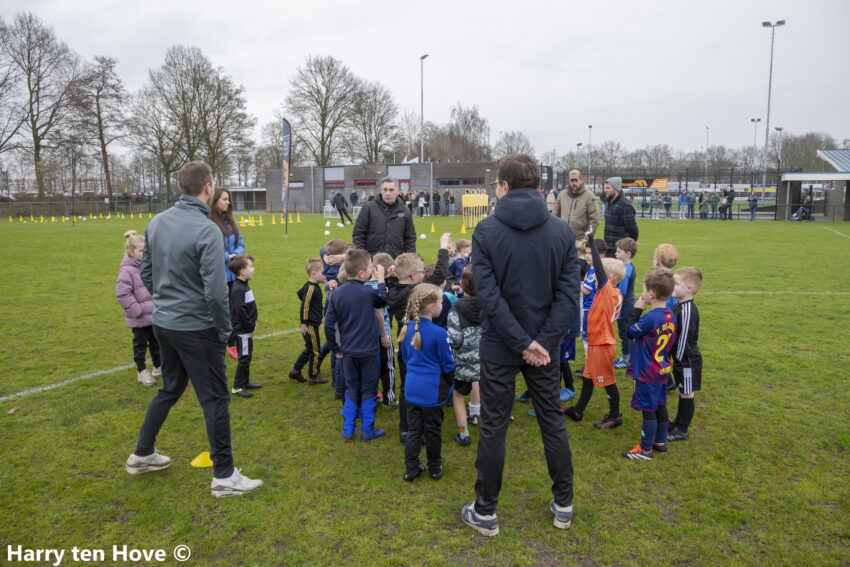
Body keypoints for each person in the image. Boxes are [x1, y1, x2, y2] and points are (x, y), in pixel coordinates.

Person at [126, 161, 262, 497]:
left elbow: (147, 273)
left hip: (165, 323)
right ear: (208, 187)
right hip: (196, 327)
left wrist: (167, 299)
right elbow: (216, 292)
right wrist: (223, 330)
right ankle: (224, 476)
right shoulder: (207, 230)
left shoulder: (157, 223)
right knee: (215, 398)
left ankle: (142, 454)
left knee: (170, 388)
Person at [460, 154, 579, 537]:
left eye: (496, 182)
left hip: (522, 344)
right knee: (549, 422)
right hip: (522, 344)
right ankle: (556, 504)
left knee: (497, 425)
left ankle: (490, 510)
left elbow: (566, 294)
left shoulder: (554, 231)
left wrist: (536, 342)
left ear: (505, 185)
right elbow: (490, 297)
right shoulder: (495, 230)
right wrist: (533, 342)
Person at [386, 235, 451, 444]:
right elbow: (440, 274)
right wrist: (443, 249)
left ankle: (406, 429)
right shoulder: (417, 292)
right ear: (414, 276)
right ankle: (425, 423)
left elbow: (393, 286)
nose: (425, 275)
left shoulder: (394, 291)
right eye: (423, 272)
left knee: (407, 387)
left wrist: (390, 279)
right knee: (428, 382)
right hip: (424, 345)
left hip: (405, 344)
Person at [324, 249, 389, 441]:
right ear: (362, 273)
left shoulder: (336, 295)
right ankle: (367, 429)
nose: (372, 271)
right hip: (368, 350)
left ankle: (348, 429)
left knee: (351, 387)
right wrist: (381, 280)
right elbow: (383, 300)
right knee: (369, 388)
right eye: (370, 268)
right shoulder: (369, 291)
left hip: (348, 351)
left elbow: (328, 325)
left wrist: (336, 349)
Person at [564, 234, 625, 428]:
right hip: (595, 341)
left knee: (607, 381)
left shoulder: (609, 292)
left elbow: (598, 268)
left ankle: (615, 415)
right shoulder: (605, 291)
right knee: (589, 378)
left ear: (611, 279)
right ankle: (578, 410)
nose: (595, 277)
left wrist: (591, 241)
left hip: (602, 344)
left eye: (600, 275)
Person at [399, 284, 455, 481]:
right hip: (432, 391)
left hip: (412, 389)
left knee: (414, 430)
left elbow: (406, 358)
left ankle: (411, 468)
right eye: (441, 302)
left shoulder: (405, 329)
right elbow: (448, 364)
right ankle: (434, 467)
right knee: (432, 430)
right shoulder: (439, 333)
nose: (442, 305)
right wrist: (450, 385)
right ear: (432, 307)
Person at [622, 269, 677, 460]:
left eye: (644, 290)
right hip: (662, 369)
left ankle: (645, 449)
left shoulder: (650, 317)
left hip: (647, 371)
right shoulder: (670, 314)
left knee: (648, 410)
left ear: (651, 294)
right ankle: (660, 442)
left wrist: (637, 310)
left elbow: (629, 332)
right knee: (660, 405)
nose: (643, 293)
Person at [116, 230, 161, 387]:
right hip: (139, 317)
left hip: (153, 314)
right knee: (140, 345)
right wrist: (138, 311)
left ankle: (158, 366)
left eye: (145, 250)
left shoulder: (148, 266)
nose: (145, 253)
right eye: (141, 251)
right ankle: (141, 371)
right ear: (131, 252)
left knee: (156, 342)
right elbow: (122, 295)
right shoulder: (126, 271)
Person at [447, 265, 482, 446]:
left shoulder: (456, 309)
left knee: (458, 396)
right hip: (488, 363)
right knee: (491, 393)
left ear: (461, 283)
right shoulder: (492, 307)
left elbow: (455, 339)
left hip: (464, 365)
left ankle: (464, 434)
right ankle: (492, 429)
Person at [668, 267, 703, 442]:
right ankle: (677, 422)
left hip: (687, 361)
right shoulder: (678, 305)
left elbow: (684, 340)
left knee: (687, 393)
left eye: (676, 283)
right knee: (683, 391)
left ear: (689, 288)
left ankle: (682, 429)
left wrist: (679, 361)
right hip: (681, 360)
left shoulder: (688, 309)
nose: (672, 286)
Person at [209, 188, 245, 360]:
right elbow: (208, 249)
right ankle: (229, 344)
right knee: (223, 311)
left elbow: (241, 243)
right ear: (215, 200)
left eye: (229, 199)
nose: (228, 202)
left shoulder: (231, 221)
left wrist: (236, 254)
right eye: (225, 199)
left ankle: (234, 342)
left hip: (234, 274)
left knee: (236, 310)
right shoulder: (209, 223)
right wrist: (226, 257)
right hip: (219, 276)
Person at [352, 177, 417, 258]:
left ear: (397, 191)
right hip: (372, 263)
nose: (388, 193)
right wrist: (363, 258)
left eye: (391, 190)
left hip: (394, 263)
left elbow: (410, 239)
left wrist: (409, 260)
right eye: (385, 189)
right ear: (381, 190)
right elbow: (358, 234)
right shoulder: (368, 208)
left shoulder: (405, 212)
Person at [290, 258, 329, 386]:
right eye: (323, 272)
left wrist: (318, 317)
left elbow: (313, 306)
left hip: (313, 322)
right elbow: (305, 306)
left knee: (309, 349)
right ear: (313, 273)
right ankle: (313, 376)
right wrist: (304, 323)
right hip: (309, 326)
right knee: (315, 351)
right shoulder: (311, 289)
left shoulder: (314, 287)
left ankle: (295, 370)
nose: (326, 275)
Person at [228, 254, 262, 398]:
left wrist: (253, 322)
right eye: (250, 267)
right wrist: (249, 327)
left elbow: (248, 307)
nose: (253, 270)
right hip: (243, 330)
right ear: (242, 271)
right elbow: (240, 311)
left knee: (247, 356)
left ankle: (245, 381)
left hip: (247, 327)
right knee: (244, 357)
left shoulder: (244, 286)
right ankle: (237, 386)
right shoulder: (237, 289)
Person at [367, 252, 396, 405]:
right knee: (388, 367)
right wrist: (384, 334)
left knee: (371, 368)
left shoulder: (364, 286)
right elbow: (379, 312)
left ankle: (371, 396)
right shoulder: (382, 289)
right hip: (382, 333)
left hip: (367, 335)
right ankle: (389, 398)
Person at [552, 169, 601, 248]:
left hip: (580, 240)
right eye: (572, 181)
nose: (574, 183)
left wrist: (589, 234)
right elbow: (555, 215)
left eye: (576, 180)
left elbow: (595, 218)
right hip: (563, 239)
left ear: (581, 180)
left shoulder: (589, 195)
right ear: (569, 181)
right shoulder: (562, 194)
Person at [613, 238, 638, 370]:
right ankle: (630, 358)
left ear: (628, 254)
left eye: (618, 251)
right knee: (627, 332)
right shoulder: (628, 267)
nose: (616, 254)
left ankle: (626, 359)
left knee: (624, 333)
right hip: (628, 304)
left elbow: (621, 291)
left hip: (625, 306)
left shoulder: (625, 270)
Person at [602, 177, 639, 257]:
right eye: (605, 188)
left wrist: (632, 242)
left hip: (620, 250)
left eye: (608, 188)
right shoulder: (609, 202)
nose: (605, 190)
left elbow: (632, 228)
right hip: (608, 247)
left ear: (616, 189)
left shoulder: (624, 205)